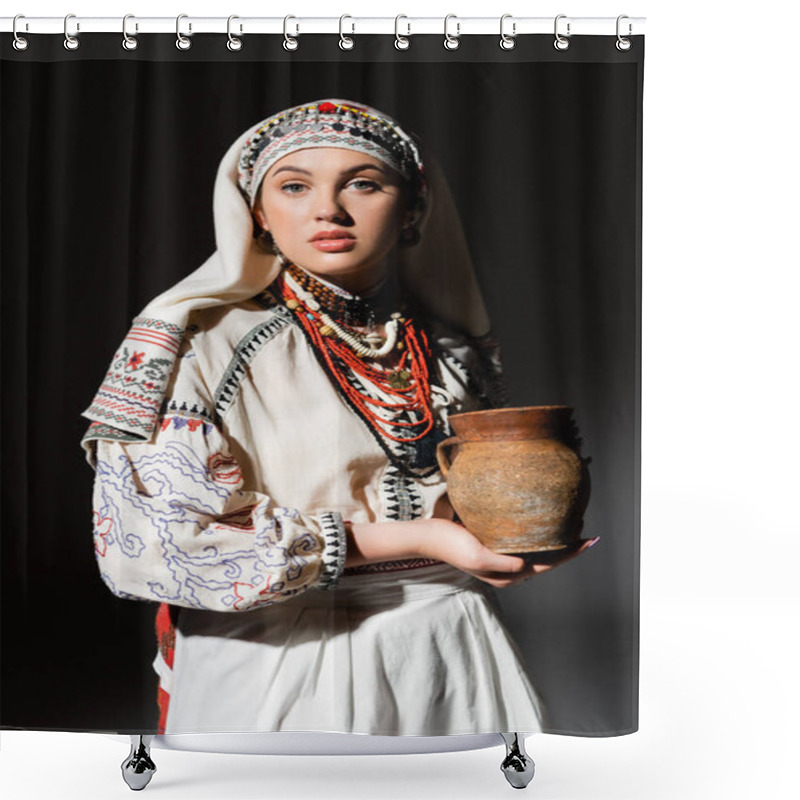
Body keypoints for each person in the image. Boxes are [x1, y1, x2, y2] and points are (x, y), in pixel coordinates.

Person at [83, 99, 595, 737]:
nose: (328, 208)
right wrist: (420, 539)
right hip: (281, 655)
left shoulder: (454, 354)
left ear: (411, 211)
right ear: (259, 216)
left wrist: (512, 536)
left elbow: (481, 506)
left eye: (363, 183)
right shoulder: (195, 345)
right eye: (294, 187)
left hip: (448, 644)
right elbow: (160, 544)